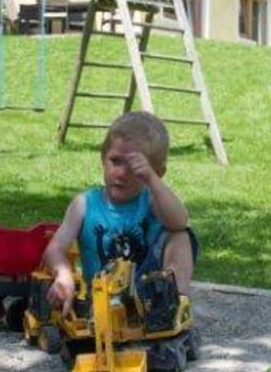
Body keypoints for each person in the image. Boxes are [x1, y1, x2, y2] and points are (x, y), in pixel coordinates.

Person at [41, 110, 195, 314]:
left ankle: (173, 305)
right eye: (115, 161)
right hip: (101, 300)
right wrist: (63, 274)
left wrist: (152, 181)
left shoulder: (152, 201)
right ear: (103, 159)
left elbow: (180, 221)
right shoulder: (84, 205)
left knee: (181, 235)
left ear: (157, 173)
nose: (121, 173)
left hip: (147, 299)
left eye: (135, 168)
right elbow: (54, 249)